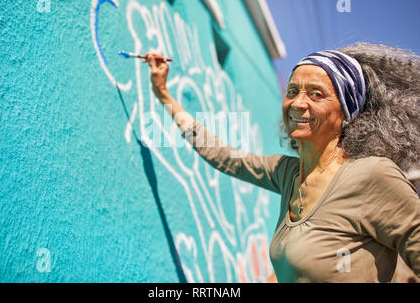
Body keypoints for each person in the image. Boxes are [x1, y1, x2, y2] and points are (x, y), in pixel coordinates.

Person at [142, 42, 420, 282]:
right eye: (292, 91)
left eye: (316, 94)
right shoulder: (287, 174)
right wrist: (164, 95)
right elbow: (222, 156)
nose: (298, 103)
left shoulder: (372, 176)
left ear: (347, 113)